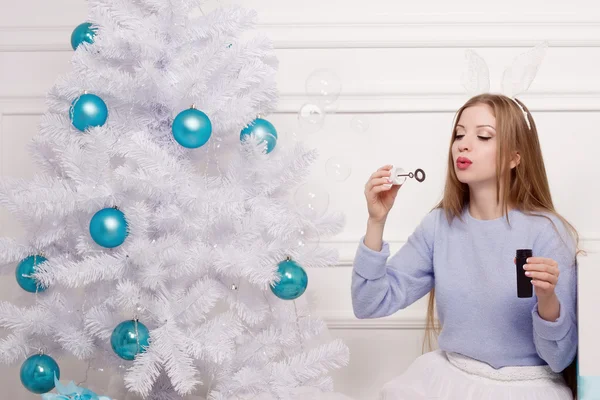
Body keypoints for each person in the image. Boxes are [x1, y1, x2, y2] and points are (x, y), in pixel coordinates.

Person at [352, 93, 582, 400]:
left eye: (483, 135)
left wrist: (547, 299)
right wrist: (376, 221)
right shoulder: (438, 226)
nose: (463, 144)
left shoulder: (548, 232)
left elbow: (559, 358)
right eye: (459, 134)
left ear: (515, 158)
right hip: (448, 380)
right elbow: (369, 304)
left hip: (526, 387)